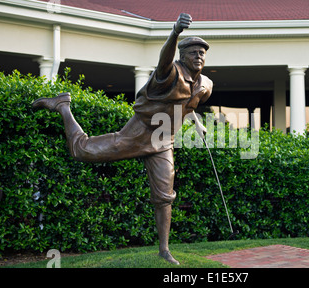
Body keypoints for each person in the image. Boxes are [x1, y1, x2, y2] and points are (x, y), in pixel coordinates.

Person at [32, 13, 213, 265]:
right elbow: (163, 62)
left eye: (202, 53)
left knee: (164, 196)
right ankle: (63, 106)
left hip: (163, 141)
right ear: (182, 56)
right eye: (193, 52)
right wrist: (174, 33)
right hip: (138, 133)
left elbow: (186, 105)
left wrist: (198, 123)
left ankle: (164, 250)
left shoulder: (205, 84)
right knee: (82, 151)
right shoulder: (169, 74)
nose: (199, 57)